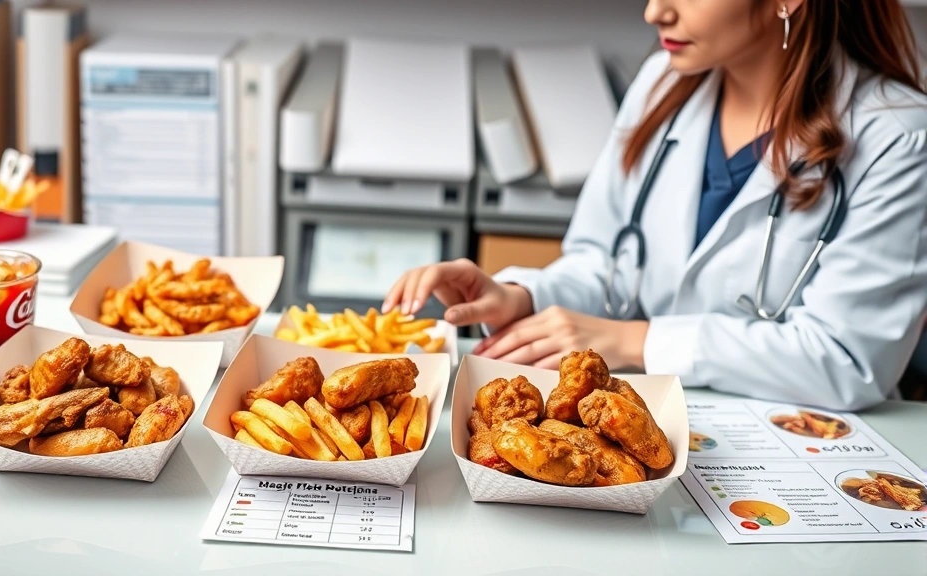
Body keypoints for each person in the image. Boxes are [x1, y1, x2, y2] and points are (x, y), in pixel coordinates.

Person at [382, 0, 927, 411]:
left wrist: (638, 341)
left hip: (796, 440)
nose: (653, 11)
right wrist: (523, 298)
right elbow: (605, 261)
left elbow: (848, 361)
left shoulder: (898, 137)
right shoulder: (666, 82)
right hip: (656, 413)